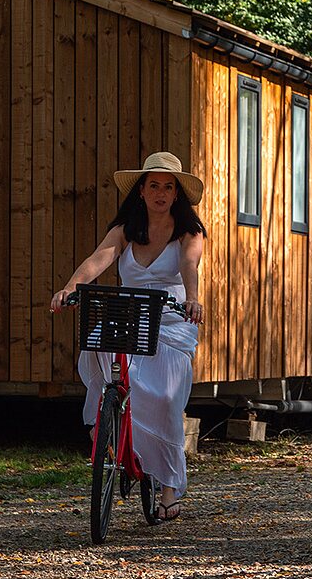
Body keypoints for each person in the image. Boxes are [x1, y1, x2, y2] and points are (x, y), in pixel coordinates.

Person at [50, 151, 206, 522]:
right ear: (141, 190)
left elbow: (189, 264)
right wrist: (69, 288)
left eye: (168, 187)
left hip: (170, 316)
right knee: (97, 341)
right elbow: (97, 260)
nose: (161, 193)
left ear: (177, 194)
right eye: (154, 185)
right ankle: (107, 425)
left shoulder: (189, 231)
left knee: (167, 396)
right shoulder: (125, 230)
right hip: (130, 313)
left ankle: (167, 486)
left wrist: (194, 300)